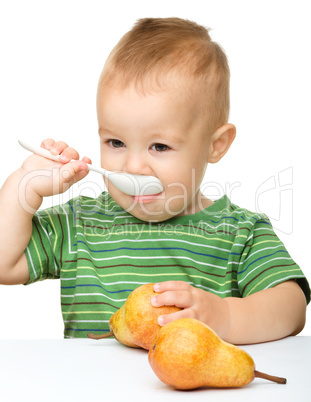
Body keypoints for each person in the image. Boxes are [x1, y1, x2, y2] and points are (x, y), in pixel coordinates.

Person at [0, 17, 309, 345]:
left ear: (215, 145)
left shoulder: (239, 233)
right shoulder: (79, 224)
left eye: (159, 146)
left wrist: (228, 317)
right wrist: (25, 184)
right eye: (115, 143)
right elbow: (6, 264)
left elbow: (292, 307)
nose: (132, 166)